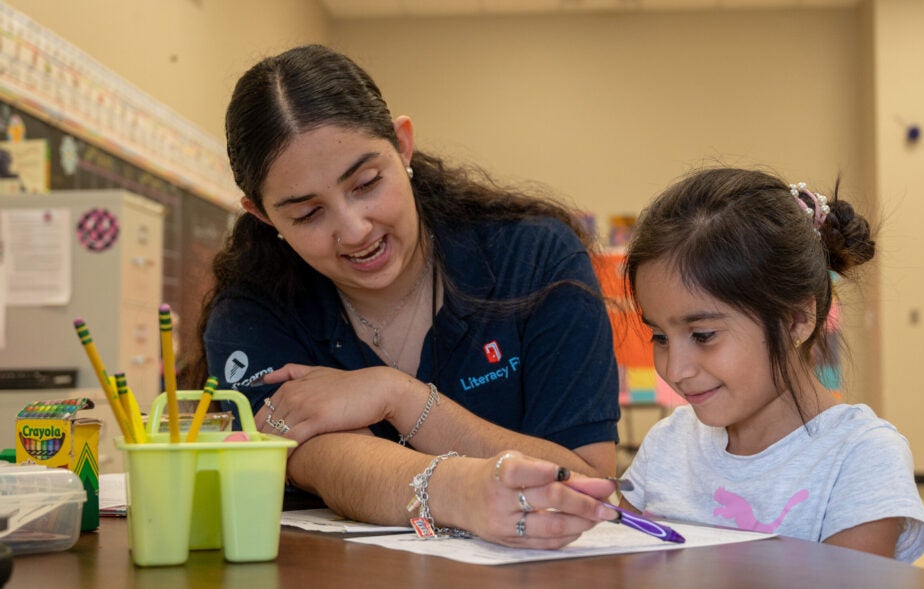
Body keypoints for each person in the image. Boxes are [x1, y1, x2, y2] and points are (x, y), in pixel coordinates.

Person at [190, 44, 622, 548]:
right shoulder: (254, 310)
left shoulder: (533, 258)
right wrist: (461, 490)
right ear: (263, 215)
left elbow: (587, 484)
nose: (353, 230)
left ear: (403, 146)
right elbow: (325, 459)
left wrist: (396, 395)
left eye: (367, 183)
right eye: (307, 214)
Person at [617, 167, 924, 562]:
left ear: (797, 319)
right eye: (660, 337)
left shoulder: (860, 457)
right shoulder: (666, 444)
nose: (676, 370)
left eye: (703, 336)